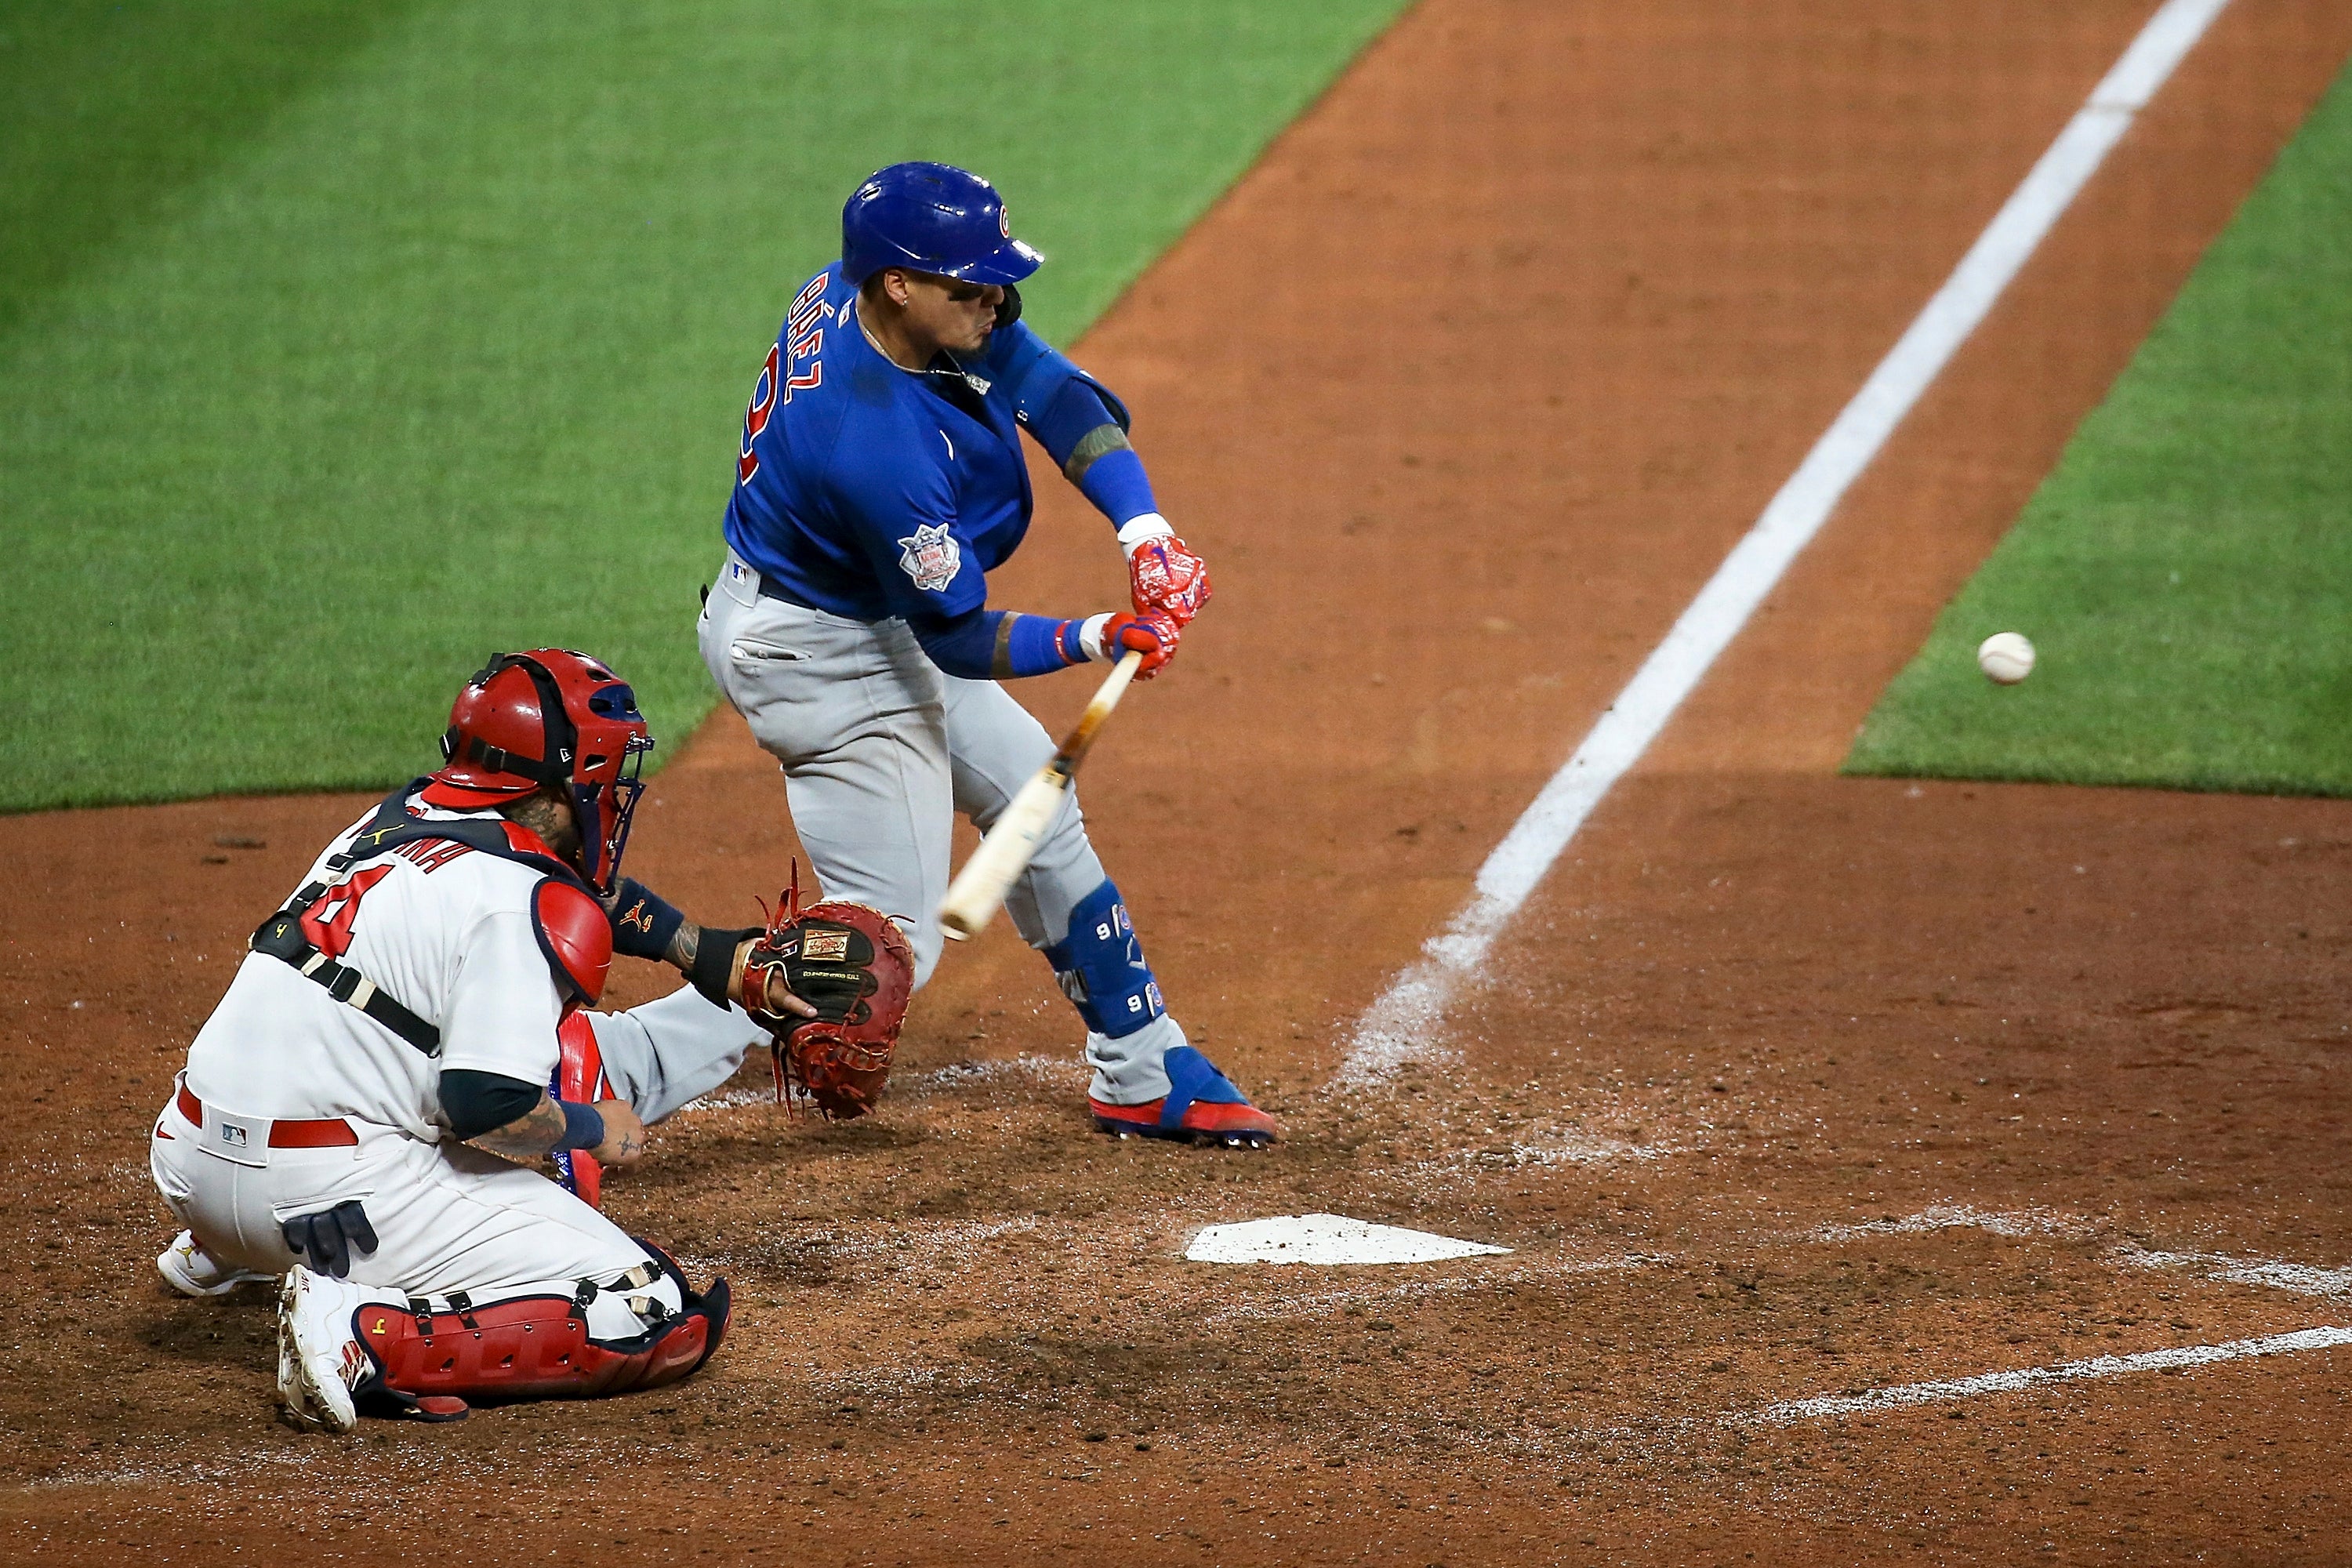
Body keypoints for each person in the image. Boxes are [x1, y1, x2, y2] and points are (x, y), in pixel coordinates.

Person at [699, 161, 1275, 1149]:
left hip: (862, 614)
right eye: (970, 287)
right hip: (819, 655)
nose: (994, 300)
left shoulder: (881, 291)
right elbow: (960, 635)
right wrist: (1099, 635)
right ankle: (613, 1064)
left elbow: (1047, 386)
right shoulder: (871, 444)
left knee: (1035, 806)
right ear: (900, 285)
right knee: (878, 957)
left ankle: (1141, 1067)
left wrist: (1147, 533)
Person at [149, 650, 811, 1431]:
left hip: (191, 1160)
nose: (614, 791)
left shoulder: (398, 816)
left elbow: (580, 893)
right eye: (605, 772)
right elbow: (486, 1106)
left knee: (366, 1017)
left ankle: (220, 1249)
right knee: (650, 1308)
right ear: (567, 783)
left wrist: (710, 956)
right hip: (320, 1195)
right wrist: (601, 1124)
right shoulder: (523, 898)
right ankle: (357, 1333)